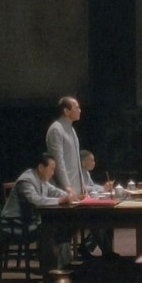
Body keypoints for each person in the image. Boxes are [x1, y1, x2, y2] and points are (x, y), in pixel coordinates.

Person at [1, 153, 73, 269]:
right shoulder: (26, 180)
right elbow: (35, 201)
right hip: (15, 224)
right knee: (49, 229)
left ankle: (63, 265)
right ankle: (50, 269)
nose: (53, 173)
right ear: (41, 167)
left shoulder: (41, 179)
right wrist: (60, 201)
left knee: (63, 227)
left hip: (29, 222)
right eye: (52, 169)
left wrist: (70, 196)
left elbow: (54, 191)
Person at [45, 96, 85, 265]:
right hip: (63, 186)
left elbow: (76, 160)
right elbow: (58, 161)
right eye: (76, 107)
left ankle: (67, 261)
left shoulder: (71, 129)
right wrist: (67, 186)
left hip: (75, 186)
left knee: (73, 225)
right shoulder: (56, 129)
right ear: (66, 111)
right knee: (64, 226)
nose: (80, 110)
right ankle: (61, 265)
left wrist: (82, 184)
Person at [78, 150, 118, 259]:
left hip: (89, 203)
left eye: (94, 160)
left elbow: (92, 186)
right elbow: (85, 188)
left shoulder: (86, 173)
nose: (94, 163)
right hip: (80, 206)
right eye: (91, 160)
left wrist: (103, 188)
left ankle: (91, 247)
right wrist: (102, 188)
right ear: (82, 162)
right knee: (99, 221)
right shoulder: (78, 173)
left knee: (107, 219)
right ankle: (107, 252)